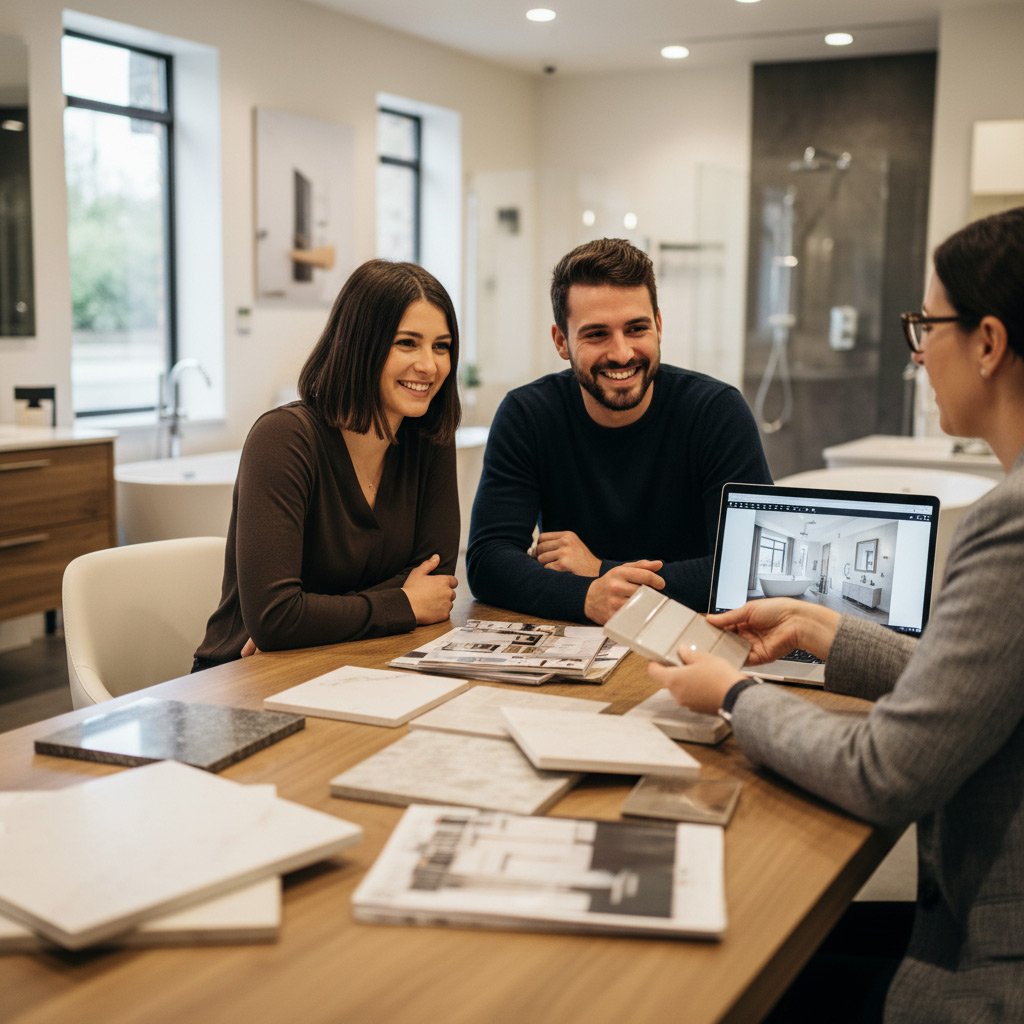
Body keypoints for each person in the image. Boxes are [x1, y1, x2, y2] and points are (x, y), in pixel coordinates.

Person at [649, 206, 1024, 1022]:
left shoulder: (1013, 521)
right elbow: (987, 685)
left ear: (989, 342)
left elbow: (883, 770)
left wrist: (734, 696)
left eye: (928, 326)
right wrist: (828, 632)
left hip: (989, 967)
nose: (919, 353)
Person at [466, 238, 772, 625]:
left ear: (658, 326)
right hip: (574, 639)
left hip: (696, 636)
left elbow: (747, 566)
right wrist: (586, 597)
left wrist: (599, 571)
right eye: (597, 334)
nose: (622, 353)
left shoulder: (716, 412)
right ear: (562, 341)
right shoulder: (528, 414)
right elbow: (488, 559)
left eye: (636, 328)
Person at [193, 260, 460, 669]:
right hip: (245, 675)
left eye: (441, 346)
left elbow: (436, 582)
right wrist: (403, 602)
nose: (429, 365)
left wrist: (312, 617)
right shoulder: (283, 438)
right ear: (361, 343)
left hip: (363, 663)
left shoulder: (429, 437)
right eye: (407, 343)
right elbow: (275, 618)